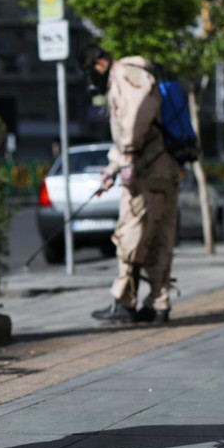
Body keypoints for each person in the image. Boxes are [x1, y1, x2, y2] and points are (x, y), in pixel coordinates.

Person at [80, 46, 180, 324]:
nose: (92, 81)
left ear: (100, 63)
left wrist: (127, 157)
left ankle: (124, 303)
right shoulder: (146, 71)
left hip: (146, 171)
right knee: (159, 238)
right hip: (165, 167)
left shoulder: (124, 72)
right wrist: (113, 168)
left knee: (129, 236)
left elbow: (136, 114)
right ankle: (160, 304)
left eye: (91, 73)